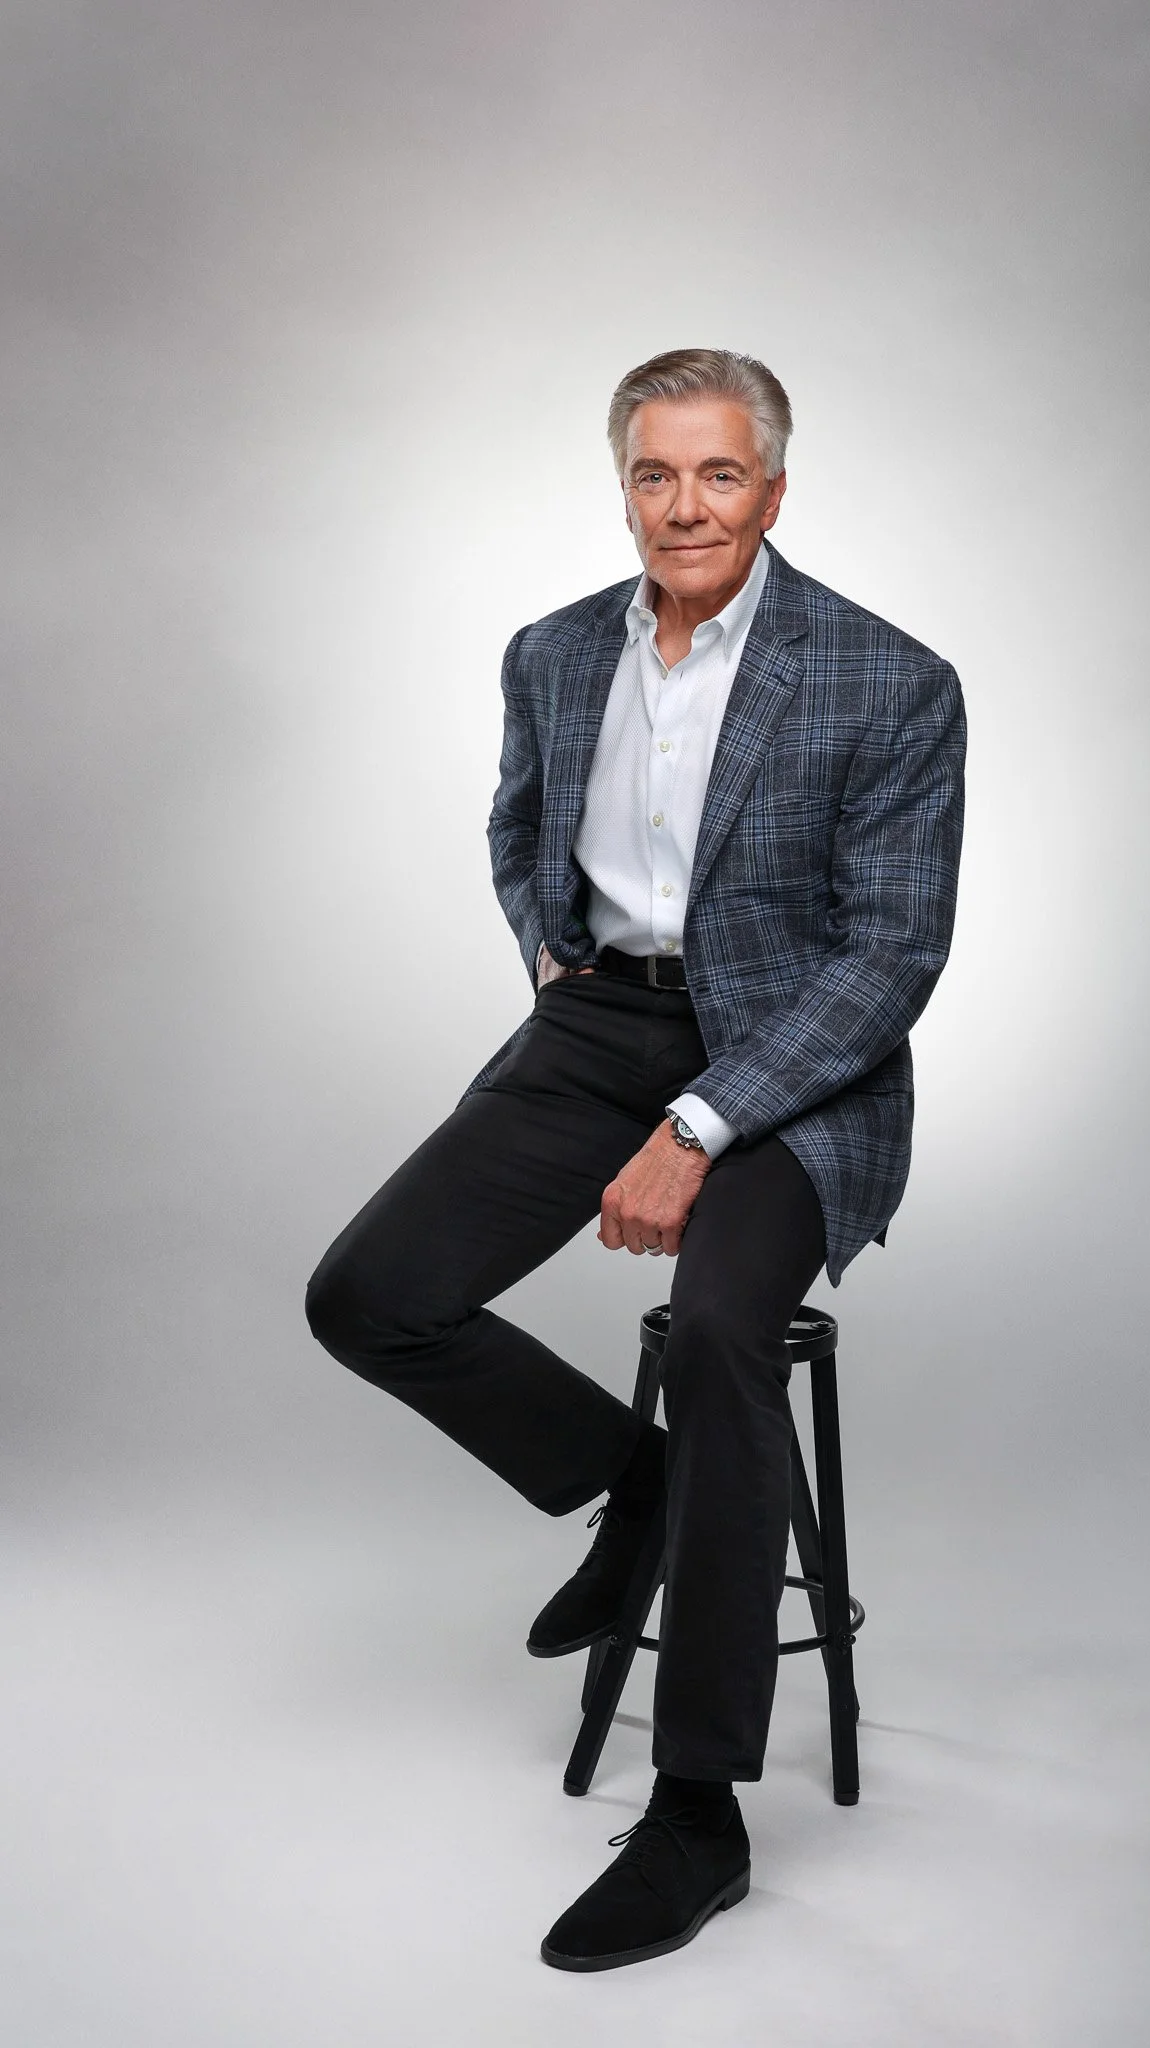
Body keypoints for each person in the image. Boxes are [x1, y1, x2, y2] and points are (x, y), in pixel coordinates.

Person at [304, 347, 967, 1971]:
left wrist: (702, 1125)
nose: (687, 507)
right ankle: (639, 1486)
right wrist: (556, 968)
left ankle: (697, 1815)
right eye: (657, 476)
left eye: (720, 475)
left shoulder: (887, 679)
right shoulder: (550, 651)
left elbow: (888, 958)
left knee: (730, 1336)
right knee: (372, 1295)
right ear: (626, 489)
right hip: (603, 1027)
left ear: (775, 491)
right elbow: (519, 826)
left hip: (797, 1065)